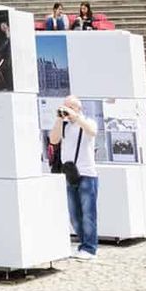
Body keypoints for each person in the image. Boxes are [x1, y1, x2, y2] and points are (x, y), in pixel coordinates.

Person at [49, 95, 99, 259]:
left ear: (78, 108)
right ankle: (84, 244)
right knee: (74, 215)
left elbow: (92, 131)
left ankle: (90, 248)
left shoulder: (87, 122)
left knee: (88, 214)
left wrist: (75, 117)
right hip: (70, 174)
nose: (67, 109)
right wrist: (59, 119)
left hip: (87, 173)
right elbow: (53, 140)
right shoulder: (64, 126)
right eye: (65, 106)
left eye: (70, 106)